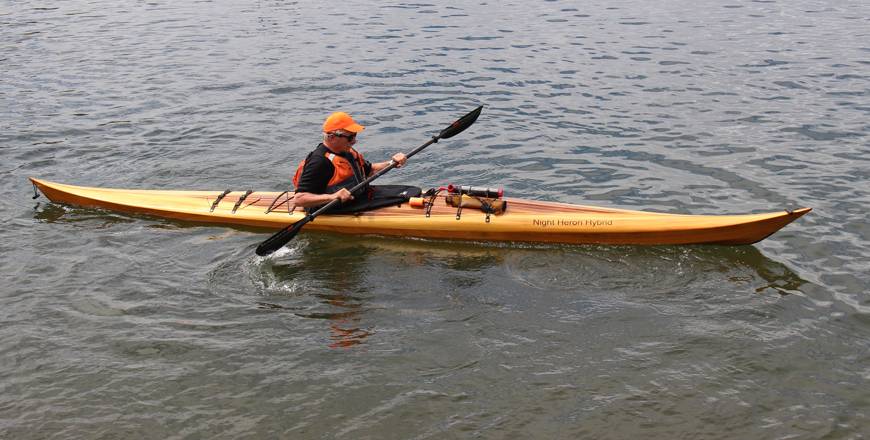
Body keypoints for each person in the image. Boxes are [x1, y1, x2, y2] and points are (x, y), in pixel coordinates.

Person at [292, 112, 419, 212]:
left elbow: (370, 170)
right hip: (332, 207)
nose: (354, 141)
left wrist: (392, 162)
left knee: (413, 190)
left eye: (355, 136)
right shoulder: (320, 162)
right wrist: (333, 197)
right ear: (332, 137)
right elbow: (299, 199)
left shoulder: (347, 151)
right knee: (408, 194)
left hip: (359, 196)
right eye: (350, 137)